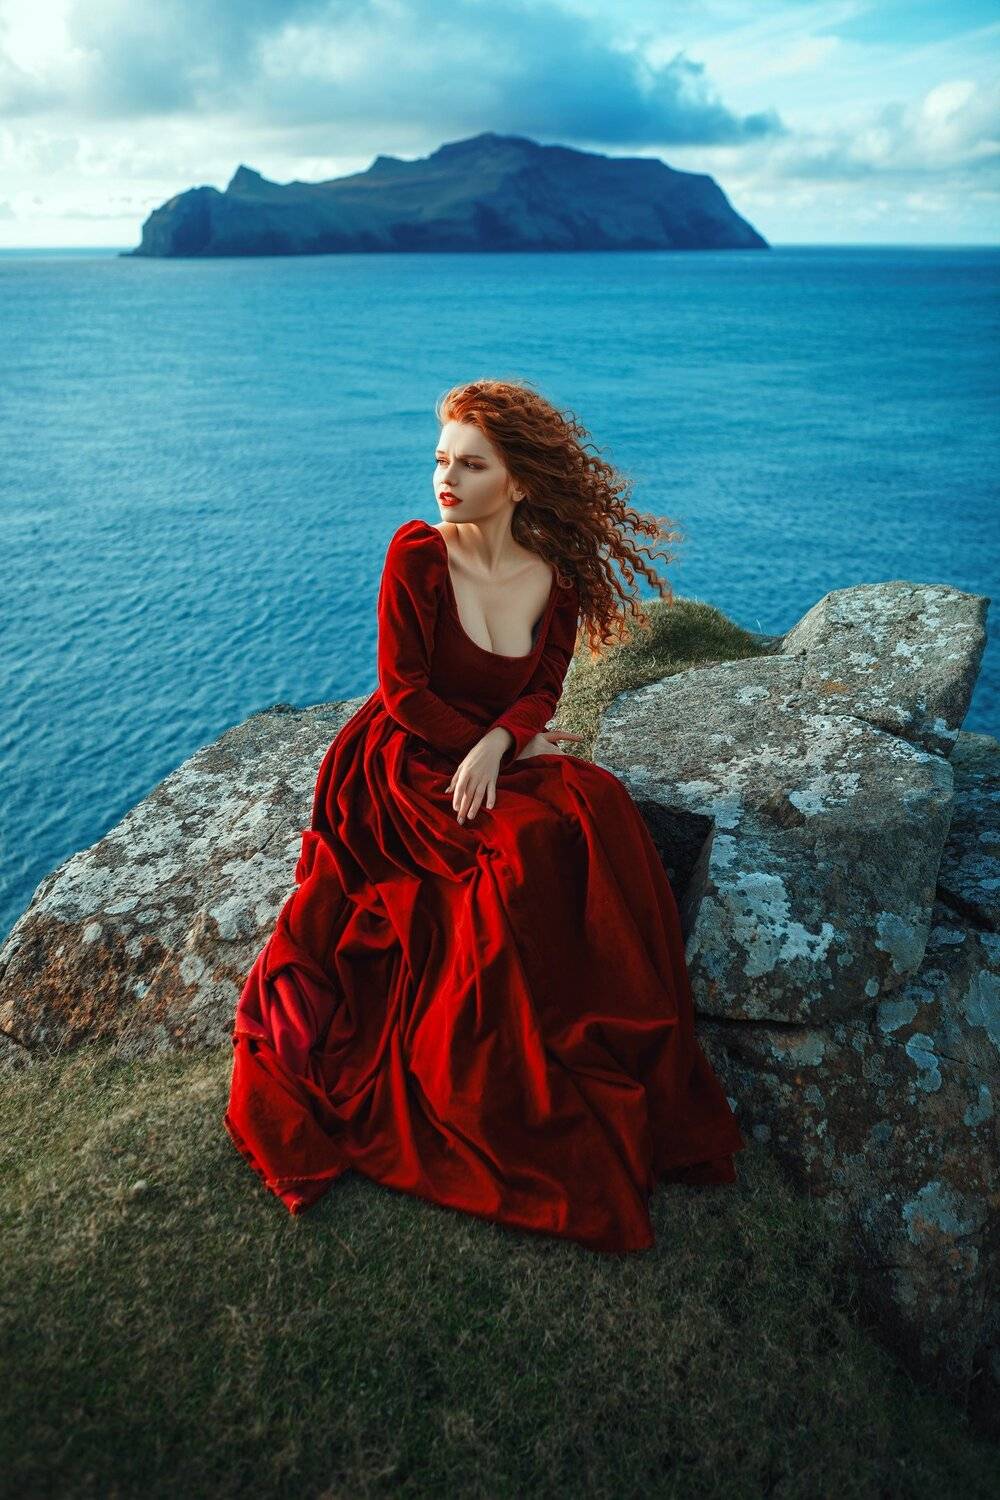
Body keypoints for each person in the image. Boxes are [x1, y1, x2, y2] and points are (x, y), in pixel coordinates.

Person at [223, 377, 745, 1253]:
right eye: (441, 460)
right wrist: (482, 745)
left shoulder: (556, 582)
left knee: (597, 807)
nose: (446, 480)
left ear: (520, 483)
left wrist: (503, 745)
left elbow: (542, 689)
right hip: (397, 767)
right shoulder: (417, 556)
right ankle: (517, 1083)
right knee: (504, 863)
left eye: (471, 464)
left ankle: (611, 1031)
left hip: (484, 755)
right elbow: (401, 693)